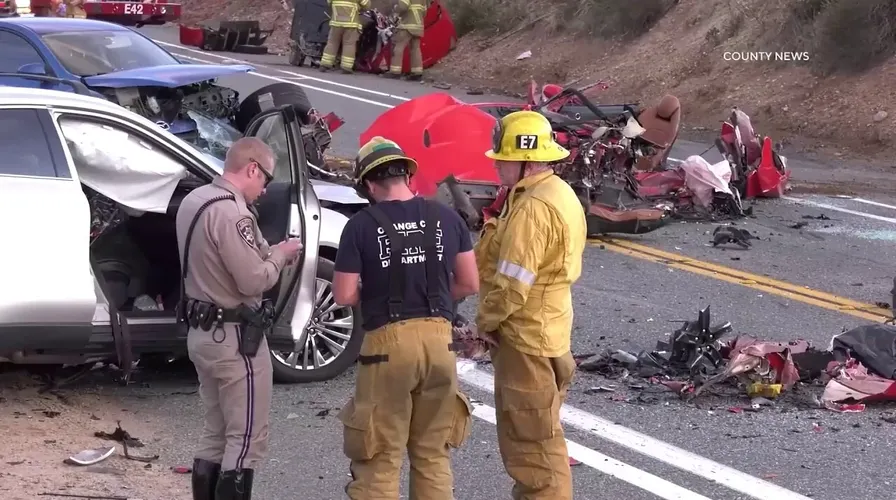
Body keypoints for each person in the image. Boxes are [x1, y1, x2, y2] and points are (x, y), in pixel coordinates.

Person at [332, 136, 480, 499]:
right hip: (439, 341)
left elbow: (344, 294)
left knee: (380, 454)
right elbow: (469, 282)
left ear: (368, 184)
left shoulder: (361, 226)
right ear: (408, 178)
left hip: (388, 345)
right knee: (431, 453)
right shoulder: (446, 217)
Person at [175, 137, 303, 500]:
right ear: (251, 169)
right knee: (246, 438)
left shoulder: (195, 200)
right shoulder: (233, 213)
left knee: (215, 433)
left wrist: (269, 251)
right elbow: (254, 279)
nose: (264, 189)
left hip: (201, 332)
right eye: (265, 179)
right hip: (234, 337)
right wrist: (280, 256)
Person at [474, 110, 587, 499]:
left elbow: (511, 285)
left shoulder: (533, 209)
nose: (498, 164)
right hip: (548, 331)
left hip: (526, 340)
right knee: (541, 437)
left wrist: (484, 322)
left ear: (527, 159)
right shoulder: (553, 192)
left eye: (503, 158)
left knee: (534, 453)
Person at [319, 0, 370, 74]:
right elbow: (366, 5)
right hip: (351, 24)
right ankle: (346, 67)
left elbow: (328, 2)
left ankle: (325, 64)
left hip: (336, 22)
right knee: (349, 44)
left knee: (332, 43)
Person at [383, 0, 428, 80]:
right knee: (415, 49)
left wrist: (395, 8)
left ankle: (395, 72)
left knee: (398, 47)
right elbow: (424, 12)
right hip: (418, 26)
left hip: (406, 26)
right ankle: (417, 73)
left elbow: (403, 6)